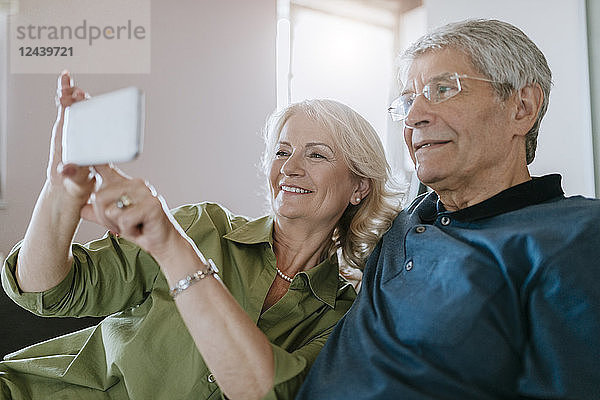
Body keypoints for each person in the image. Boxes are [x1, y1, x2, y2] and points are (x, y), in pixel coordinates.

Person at [0, 72, 401, 400]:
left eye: (316, 154)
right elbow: (46, 291)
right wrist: (60, 192)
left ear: (359, 188)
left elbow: (267, 394)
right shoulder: (201, 226)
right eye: (282, 152)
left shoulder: (344, 317)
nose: (290, 167)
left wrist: (169, 248)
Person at [297, 18, 600, 400]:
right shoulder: (403, 219)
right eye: (408, 101)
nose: (413, 117)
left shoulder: (577, 235)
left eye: (442, 89)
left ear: (522, 108)